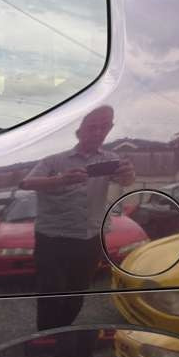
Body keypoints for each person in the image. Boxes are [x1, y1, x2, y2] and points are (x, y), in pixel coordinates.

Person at [19, 106, 134, 344]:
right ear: (79, 132)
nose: (98, 132)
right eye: (92, 127)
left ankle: (63, 331)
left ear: (110, 129)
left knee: (78, 290)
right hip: (53, 238)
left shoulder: (111, 160)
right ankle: (47, 336)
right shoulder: (54, 160)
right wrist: (60, 179)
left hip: (90, 238)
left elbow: (125, 182)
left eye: (104, 127)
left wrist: (127, 176)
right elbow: (26, 183)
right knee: (50, 291)